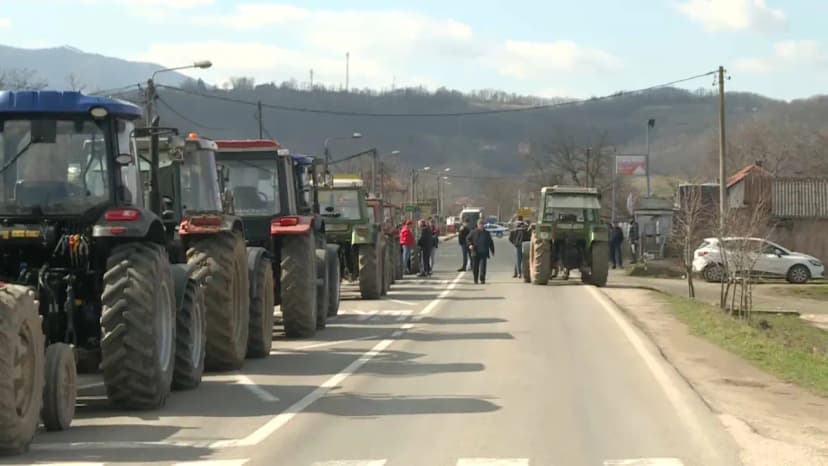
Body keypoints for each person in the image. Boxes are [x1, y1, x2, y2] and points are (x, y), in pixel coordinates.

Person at [467, 219, 495, 284]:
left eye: (482, 224)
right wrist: (470, 245)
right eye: (480, 224)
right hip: (475, 252)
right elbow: (468, 239)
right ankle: (475, 279)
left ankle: (482, 279)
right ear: (477, 225)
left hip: (484, 253)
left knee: (483, 267)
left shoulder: (487, 233)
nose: (481, 226)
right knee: (475, 267)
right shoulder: (473, 232)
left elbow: (490, 242)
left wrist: (492, 251)